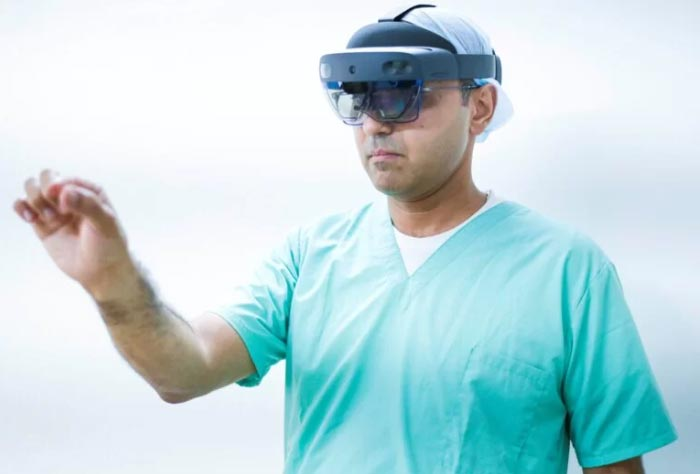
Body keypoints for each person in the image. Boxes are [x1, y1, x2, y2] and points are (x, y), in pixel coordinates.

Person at [13, 4, 677, 474]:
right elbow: (182, 371)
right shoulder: (310, 258)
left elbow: (615, 467)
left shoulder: (566, 272)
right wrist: (114, 285)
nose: (375, 123)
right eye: (358, 100)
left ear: (478, 107)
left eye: (403, 95)